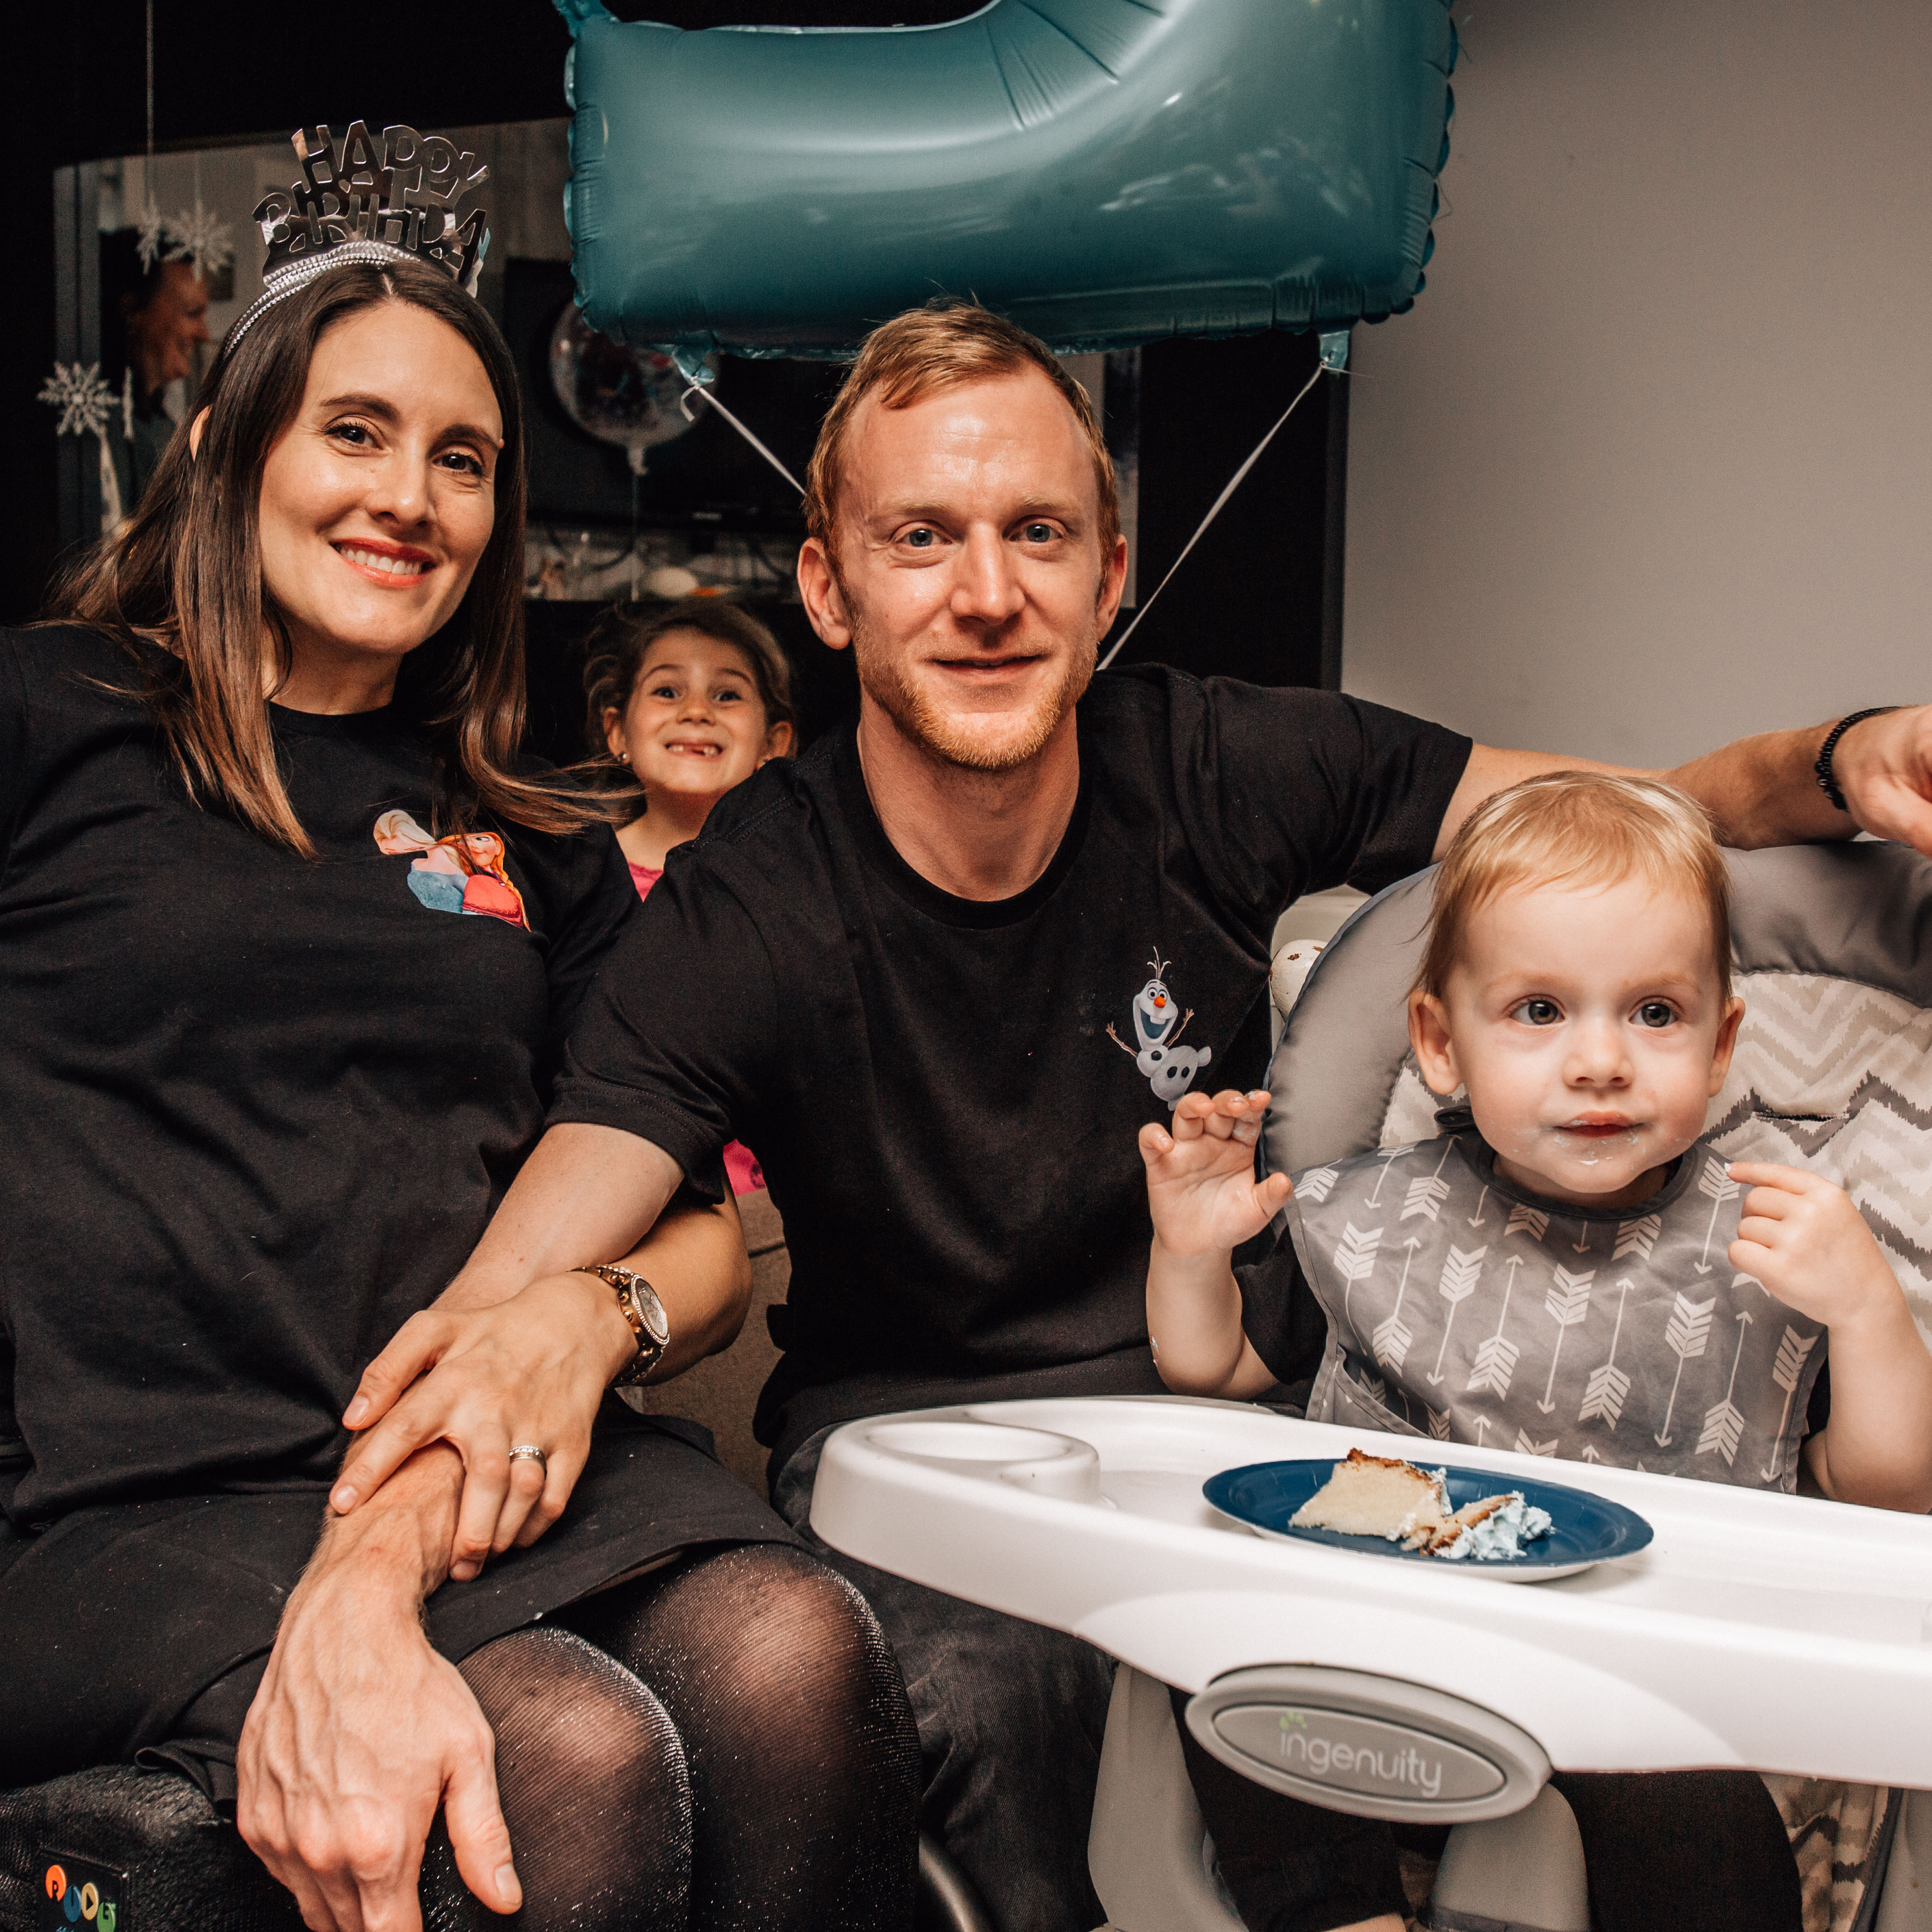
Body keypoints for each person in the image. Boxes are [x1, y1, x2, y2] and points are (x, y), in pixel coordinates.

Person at [332, 299, 1932, 1932]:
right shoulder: (752, 900)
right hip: (922, 1447)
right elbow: (542, 1238)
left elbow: (1613, 818)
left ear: (1108, 575)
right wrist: (371, 1556)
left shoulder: (1214, 762)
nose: (986, 593)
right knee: (1000, 1699)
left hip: (1226, 1413)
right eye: (921, 537)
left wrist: (1843, 756)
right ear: (827, 585)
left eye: (1036, 533)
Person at [0, 236, 917, 1932]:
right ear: (223, 449)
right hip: (123, 1494)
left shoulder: (535, 828)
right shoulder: (52, 711)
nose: (408, 497)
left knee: (798, 1653)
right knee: (566, 1751)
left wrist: (591, 1314)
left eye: (463, 457)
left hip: (497, 1462)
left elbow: (701, 1238)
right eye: (353, 431)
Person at [1138, 771, 1932, 1932]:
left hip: (1642, 1704)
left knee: (1702, 1821)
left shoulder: (1768, 1245)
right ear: (1439, 1043)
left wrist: (1865, 1311)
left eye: (1653, 1013)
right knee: (1207, 1639)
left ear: (1721, 1046)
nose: (1599, 1060)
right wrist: (1191, 1253)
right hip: (1376, 1675)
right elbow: (1212, 1371)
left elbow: (1888, 1491)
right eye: (1540, 1011)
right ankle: (1346, 1917)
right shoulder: (1372, 1220)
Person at [582, 599, 795, 1195]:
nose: (697, 711)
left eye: (727, 695)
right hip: (611, 1199)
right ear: (617, 732)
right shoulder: (576, 881)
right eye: (667, 691)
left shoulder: (798, 890)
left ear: (773, 742)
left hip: (767, 1209)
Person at [99, 226, 212, 515]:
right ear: (133, 312)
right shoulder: (97, 435)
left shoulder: (163, 427)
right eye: (192, 314)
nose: (204, 334)